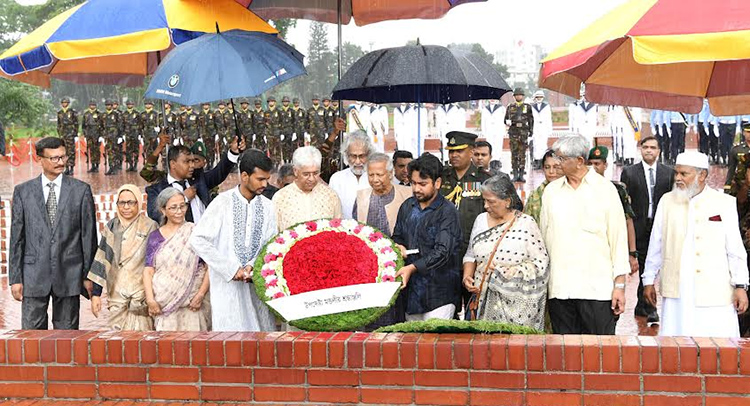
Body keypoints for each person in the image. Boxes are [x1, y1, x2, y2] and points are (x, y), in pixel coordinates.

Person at [643, 151, 749, 337]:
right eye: (676, 173)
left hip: (715, 289)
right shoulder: (666, 201)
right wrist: (648, 280)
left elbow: (735, 249)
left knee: (718, 347)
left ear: (702, 175)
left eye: (684, 174)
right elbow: (656, 244)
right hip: (678, 291)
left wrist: (741, 285)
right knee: (677, 343)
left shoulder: (724, 203)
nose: (678, 178)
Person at [540, 135, 628, 335]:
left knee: (600, 355)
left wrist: (619, 286)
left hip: (597, 290)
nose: (557, 163)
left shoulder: (605, 190)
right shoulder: (551, 192)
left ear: (579, 161)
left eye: (562, 159)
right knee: (565, 356)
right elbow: (544, 239)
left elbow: (618, 241)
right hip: (560, 290)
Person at [10, 137, 97, 329]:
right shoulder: (23, 192)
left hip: (69, 274)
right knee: (32, 339)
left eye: (63, 157)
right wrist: (15, 278)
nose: (60, 162)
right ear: (39, 159)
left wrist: (89, 276)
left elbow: (88, 237)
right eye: (54, 158)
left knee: (66, 339)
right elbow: (17, 238)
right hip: (33, 275)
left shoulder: (81, 191)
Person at [190, 150, 278, 331]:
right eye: (260, 179)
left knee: (262, 344)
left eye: (266, 179)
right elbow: (198, 240)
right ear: (245, 176)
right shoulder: (222, 203)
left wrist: (253, 266)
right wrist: (231, 269)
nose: (265, 184)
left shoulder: (269, 206)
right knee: (231, 344)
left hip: (256, 286)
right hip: (227, 288)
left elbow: (270, 244)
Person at [462, 175, 549, 329]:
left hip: (518, 306)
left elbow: (541, 263)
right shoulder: (481, 220)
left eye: (491, 202)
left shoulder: (526, 224)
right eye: (484, 200)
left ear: (507, 201)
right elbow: (470, 254)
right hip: (482, 300)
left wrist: (511, 272)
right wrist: (467, 276)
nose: (486, 206)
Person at [392, 154, 462, 321]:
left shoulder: (447, 211)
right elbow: (397, 236)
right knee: (413, 345)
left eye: (423, 184)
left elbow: (443, 252)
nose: (416, 189)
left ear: (437, 183)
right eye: (413, 183)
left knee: (434, 346)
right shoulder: (407, 207)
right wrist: (398, 246)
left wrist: (412, 268)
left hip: (440, 295)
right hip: (411, 294)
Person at [87, 184, 158, 331]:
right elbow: (102, 260)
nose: (126, 207)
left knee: (142, 343)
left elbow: (156, 263)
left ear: (139, 203)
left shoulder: (150, 226)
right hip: (117, 295)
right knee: (117, 344)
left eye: (131, 202)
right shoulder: (112, 227)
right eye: (122, 202)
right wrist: (96, 295)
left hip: (141, 296)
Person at [353, 152, 411, 329]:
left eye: (380, 174)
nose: (375, 179)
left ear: (391, 174)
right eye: (371, 175)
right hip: (369, 269)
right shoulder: (362, 196)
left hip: (399, 267)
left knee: (396, 317)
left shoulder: (406, 194)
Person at [620, 136, 675, 323]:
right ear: (640, 149)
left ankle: (642, 303)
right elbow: (626, 203)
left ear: (659, 150)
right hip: (639, 226)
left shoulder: (668, 173)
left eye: (653, 147)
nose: (649, 150)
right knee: (644, 265)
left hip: (661, 225)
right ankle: (649, 307)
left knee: (658, 265)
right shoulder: (629, 172)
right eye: (645, 147)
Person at [143, 188, 210, 331]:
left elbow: (209, 266)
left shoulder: (195, 232)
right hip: (164, 305)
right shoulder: (155, 237)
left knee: (194, 348)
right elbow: (148, 270)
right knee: (166, 350)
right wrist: (150, 300)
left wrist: (200, 295)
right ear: (163, 210)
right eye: (173, 208)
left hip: (192, 305)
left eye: (182, 206)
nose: (179, 211)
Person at [145, 134, 242, 224]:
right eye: (187, 162)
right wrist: (184, 199)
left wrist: (233, 152)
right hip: (178, 240)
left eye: (192, 161)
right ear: (173, 164)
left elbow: (219, 172)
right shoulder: (156, 189)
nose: (192, 165)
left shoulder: (198, 179)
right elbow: (156, 215)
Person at [440, 131, 492, 260]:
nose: (454, 155)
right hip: (443, 249)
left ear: (471, 151)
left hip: (473, 249)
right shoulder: (441, 177)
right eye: (451, 151)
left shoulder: (484, 180)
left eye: (459, 151)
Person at [587, 146, 638, 275]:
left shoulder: (617, 190)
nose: (593, 167)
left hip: (611, 250)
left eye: (597, 164)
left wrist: (632, 253)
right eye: (590, 164)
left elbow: (628, 221)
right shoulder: (581, 190)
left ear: (605, 165)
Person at [272, 146, 342, 231]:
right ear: (295, 171)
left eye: (316, 173)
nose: (311, 179)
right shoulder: (280, 198)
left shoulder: (330, 196)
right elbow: (274, 235)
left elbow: (338, 230)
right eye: (306, 174)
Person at [329, 130, 374, 220]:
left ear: (369, 155)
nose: (357, 162)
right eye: (353, 156)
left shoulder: (376, 177)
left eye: (361, 156)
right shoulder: (337, 179)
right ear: (346, 155)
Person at [524, 149, 563, 224]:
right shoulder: (535, 196)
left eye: (555, 167)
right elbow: (527, 225)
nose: (551, 171)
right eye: (547, 167)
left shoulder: (572, 192)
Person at [504, 88, 534, 182]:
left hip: (524, 132)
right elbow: (505, 119)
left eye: (520, 95)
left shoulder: (527, 107)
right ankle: (515, 174)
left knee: (522, 154)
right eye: (516, 95)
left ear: (523, 96)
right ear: (514, 97)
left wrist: (531, 131)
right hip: (513, 132)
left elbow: (531, 120)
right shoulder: (510, 107)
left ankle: (521, 174)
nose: (518, 96)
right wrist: (507, 122)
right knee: (514, 154)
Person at [725, 123, 750, 196]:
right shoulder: (736, 150)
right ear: (744, 133)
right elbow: (731, 169)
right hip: (742, 185)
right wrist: (727, 186)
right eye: (748, 132)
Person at [57, 97, 79, 176]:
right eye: (63, 103)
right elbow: (58, 124)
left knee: (71, 151)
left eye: (66, 103)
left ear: (68, 104)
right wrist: (59, 134)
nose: (64, 104)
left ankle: (71, 167)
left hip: (70, 134)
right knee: (64, 152)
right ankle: (66, 168)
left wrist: (75, 134)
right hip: (63, 135)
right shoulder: (59, 113)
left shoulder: (72, 112)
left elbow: (76, 123)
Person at [531, 90, 553, 170]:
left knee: (543, 145)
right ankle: (537, 162)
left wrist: (549, 129)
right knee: (536, 145)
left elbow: (549, 118)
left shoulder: (546, 106)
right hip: (535, 128)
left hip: (544, 127)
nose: (539, 98)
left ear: (543, 98)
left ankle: (543, 162)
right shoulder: (532, 107)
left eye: (540, 97)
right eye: (537, 97)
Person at [81, 99, 102, 173]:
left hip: (96, 135)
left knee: (96, 150)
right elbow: (83, 126)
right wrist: (85, 134)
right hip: (89, 135)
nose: (92, 106)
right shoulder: (86, 114)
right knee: (91, 150)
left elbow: (102, 125)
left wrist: (101, 136)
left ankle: (97, 165)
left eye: (93, 105)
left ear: (95, 106)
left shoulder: (99, 114)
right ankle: (92, 165)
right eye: (91, 105)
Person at [103, 100, 122, 175]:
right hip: (107, 136)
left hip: (115, 136)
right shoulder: (104, 115)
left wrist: (120, 136)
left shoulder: (116, 114)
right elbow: (101, 126)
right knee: (109, 152)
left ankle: (115, 168)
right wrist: (102, 135)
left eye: (110, 105)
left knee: (115, 152)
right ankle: (111, 167)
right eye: (107, 105)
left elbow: (120, 125)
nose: (108, 106)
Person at [122, 100, 142, 173]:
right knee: (128, 151)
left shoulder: (137, 113)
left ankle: (135, 165)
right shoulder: (124, 114)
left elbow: (140, 124)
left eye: (131, 104)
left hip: (135, 134)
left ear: (133, 105)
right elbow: (122, 125)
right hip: (128, 134)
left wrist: (140, 134)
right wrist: (122, 134)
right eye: (128, 104)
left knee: (136, 150)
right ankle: (130, 165)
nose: (130, 105)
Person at [198, 102, 217, 168]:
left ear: (209, 105)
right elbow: (199, 125)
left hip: (212, 134)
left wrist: (216, 133)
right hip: (204, 134)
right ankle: (208, 163)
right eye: (204, 105)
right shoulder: (200, 114)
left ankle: (212, 162)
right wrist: (200, 133)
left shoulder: (212, 113)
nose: (205, 106)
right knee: (205, 149)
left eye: (207, 105)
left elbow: (216, 123)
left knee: (212, 149)